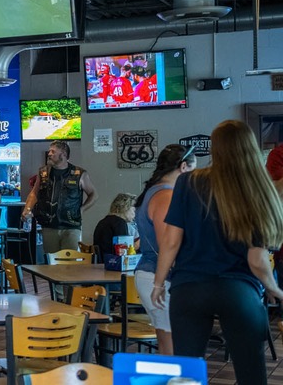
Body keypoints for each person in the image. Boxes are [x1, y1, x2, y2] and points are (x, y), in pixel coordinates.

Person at [152, 120, 283, 385]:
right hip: (239, 291)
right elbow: (256, 260)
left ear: (215, 148)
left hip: (188, 289)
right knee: (252, 374)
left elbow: (171, 241)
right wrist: (275, 289)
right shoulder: (257, 187)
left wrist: (158, 282)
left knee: (187, 375)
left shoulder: (188, 182)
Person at [132, 143, 196, 356]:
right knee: (172, 346)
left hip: (152, 274)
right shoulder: (166, 196)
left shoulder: (154, 191)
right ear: (184, 167)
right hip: (158, 276)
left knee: (169, 343)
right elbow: (167, 243)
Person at [22, 140, 97, 255]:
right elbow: (34, 193)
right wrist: (27, 209)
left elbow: (94, 194)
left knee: (68, 261)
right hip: (49, 225)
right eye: (49, 151)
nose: (49, 154)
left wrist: (82, 209)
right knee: (52, 261)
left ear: (64, 154)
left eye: (53, 152)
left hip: (71, 225)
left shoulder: (79, 174)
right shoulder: (43, 173)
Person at [92, 193, 138, 260]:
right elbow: (123, 252)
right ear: (126, 207)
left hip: (101, 264)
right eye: (134, 209)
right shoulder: (120, 223)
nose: (135, 212)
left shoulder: (103, 221)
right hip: (113, 264)